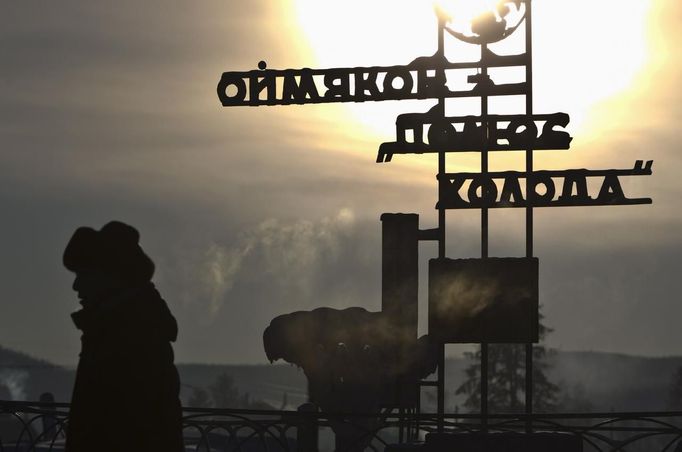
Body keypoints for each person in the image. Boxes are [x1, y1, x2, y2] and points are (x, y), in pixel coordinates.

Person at [63, 221, 184, 452]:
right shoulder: (117, 329)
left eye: (84, 274)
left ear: (112, 277)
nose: (76, 286)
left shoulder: (131, 336)